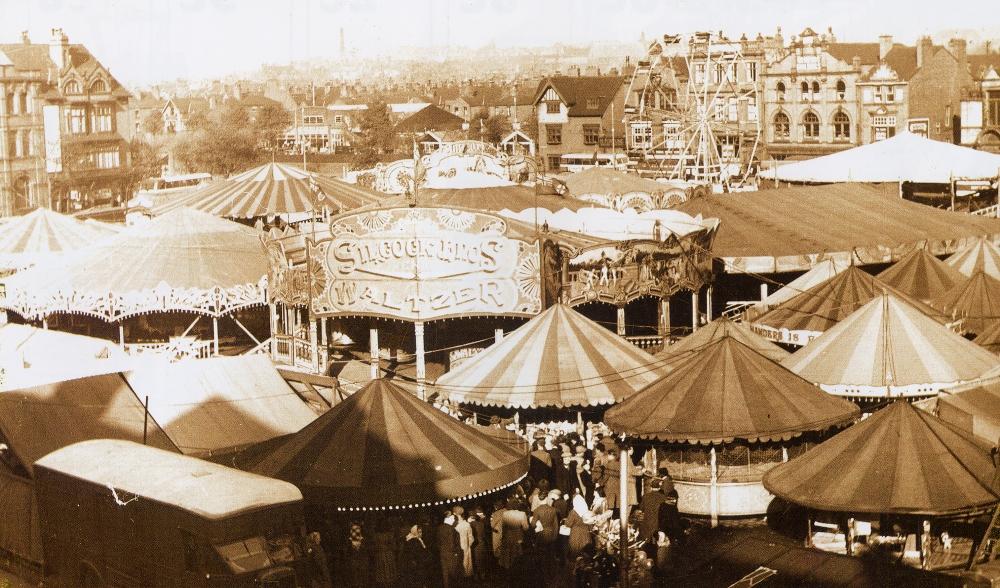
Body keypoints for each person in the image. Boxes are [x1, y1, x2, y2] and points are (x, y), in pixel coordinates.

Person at [638, 478, 668, 559]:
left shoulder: (645, 497)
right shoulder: (663, 498)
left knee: (646, 547)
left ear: (651, 487)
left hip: (646, 525)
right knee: (656, 548)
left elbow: (641, 509)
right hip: (658, 525)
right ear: (659, 488)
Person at [498, 496, 530, 572]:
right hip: (518, 535)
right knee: (517, 552)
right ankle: (517, 569)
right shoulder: (522, 514)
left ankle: (508, 569)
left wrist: (503, 536)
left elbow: (503, 527)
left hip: (508, 535)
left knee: (508, 553)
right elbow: (525, 528)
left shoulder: (505, 514)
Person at [437, 512, 462, 588]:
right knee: (453, 572)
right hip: (450, 553)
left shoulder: (439, 528)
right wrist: (455, 553)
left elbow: (438, 541)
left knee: (445, 573)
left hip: (442, 552)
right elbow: (452, 543)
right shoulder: (452, 529)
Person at [469, 507, 491, 581]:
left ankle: (476, 575)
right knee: (482, 560)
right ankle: (482, 574)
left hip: (474, 545)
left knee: (475, 560)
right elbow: (484, 534)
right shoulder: (481, 524)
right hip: (482, 543)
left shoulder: (470, 525)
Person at [453, 505, 475, 578]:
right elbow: (471, 538)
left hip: (456, 547)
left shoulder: (454, 526)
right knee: (466, 563)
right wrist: (468, 545)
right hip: (465, 546)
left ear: (455, 514)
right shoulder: (467, 524)